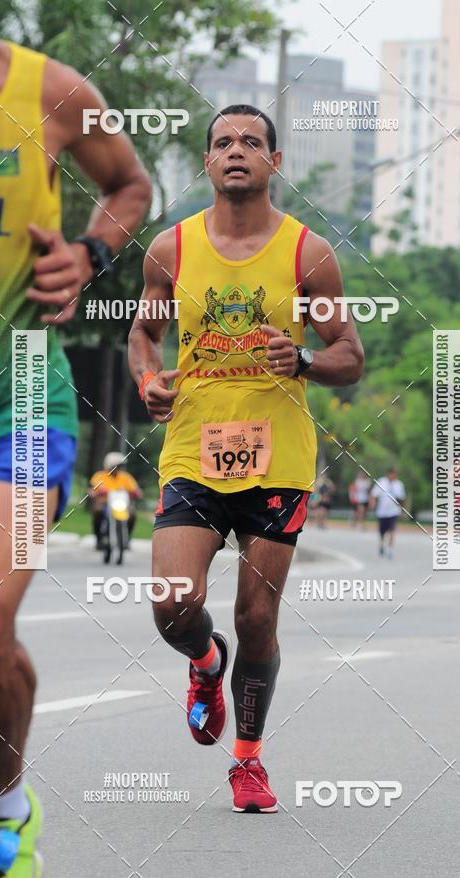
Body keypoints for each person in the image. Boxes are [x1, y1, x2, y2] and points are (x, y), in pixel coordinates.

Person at [0, 5, 151, 878]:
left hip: (20, 391)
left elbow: (131, 186)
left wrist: (90, 255)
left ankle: (11, 802)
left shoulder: (52, 92)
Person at [129, 103, 364, 813]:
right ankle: (205, 660)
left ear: (274, 162)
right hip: (193, 454)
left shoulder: (308, 254)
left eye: (252, 142)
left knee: (258, 616)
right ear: (207, 162)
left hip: (279, 461)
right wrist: (146, 376)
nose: (237, 151)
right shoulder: (169, 251)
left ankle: (249, 761)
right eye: (223, 142)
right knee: (174, 603)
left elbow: (350, 358)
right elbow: (143, 335)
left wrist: (302, 358)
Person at [89, 452, 143, 547]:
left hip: (122, 504)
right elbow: (92, 489)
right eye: (116, 466)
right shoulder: (100, 476)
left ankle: (126, 538)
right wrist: (97, 492)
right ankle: (99, 539)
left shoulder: (125, 477)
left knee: (132, 514)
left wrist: (136, 493)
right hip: (105, 504)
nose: (118, 469)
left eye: (120, 466)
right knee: (98, 512)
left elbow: (136, 490)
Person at [369, 467, 405, 559]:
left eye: (395, 474)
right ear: (389, 474)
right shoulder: (381, 482)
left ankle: (390, 550)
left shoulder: (399, 484)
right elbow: (373, 494)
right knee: (382, 532)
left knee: (392, 531)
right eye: (392, 474)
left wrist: (402, 509)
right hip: (382, 512)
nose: (394, 476)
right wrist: (372, 503)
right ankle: (381, 545)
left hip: (393, 512)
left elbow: (402, 499)